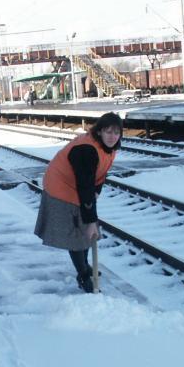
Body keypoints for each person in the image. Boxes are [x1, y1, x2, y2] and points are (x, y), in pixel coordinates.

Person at [34, 112, 123, 293]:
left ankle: (85, 265)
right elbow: (84, 186)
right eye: (108, 132)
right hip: (61, 188)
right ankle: (83, 275)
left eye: (116, 132)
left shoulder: (108, 146)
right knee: (77, 235)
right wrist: (91, 221)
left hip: (79, 185)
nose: (113, 137)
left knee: (87, 233)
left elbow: (100, 171)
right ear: (99, 132)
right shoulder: (86, 150)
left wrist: (96, 192)